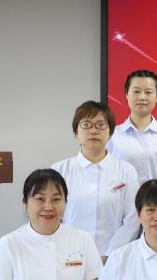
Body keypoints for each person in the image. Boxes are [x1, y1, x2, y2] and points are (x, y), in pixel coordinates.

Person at [52, 100, 140, 259]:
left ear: (110, 132)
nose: (93, 130)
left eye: (101, 125)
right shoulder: (59, 170)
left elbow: (132, 219)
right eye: (86, 124)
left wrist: (110, 255)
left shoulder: (127, 171)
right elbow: (53, 216)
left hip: (114, 258)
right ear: (76, 131)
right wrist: (70, 252)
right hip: (69, 257)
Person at [108, 69, 157, 181]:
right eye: (136, 91)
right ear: (126, 94)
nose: (142, 97)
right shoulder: (111, 136)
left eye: (148, 92)